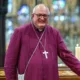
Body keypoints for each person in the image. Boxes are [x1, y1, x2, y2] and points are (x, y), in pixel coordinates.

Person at [4, 4, 80, 80]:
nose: (42, 18)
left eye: (45, 15)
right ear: (33, 15)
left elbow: (67, 56)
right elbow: (10, 63)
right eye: (39, 15)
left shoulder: (54, 33)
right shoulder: (20, 32)